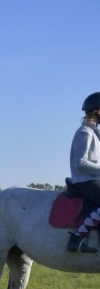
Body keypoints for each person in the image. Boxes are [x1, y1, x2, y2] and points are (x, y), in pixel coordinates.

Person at [67, 92, 100, 253]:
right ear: (97, 111)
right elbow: (80, 163)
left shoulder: (95, 133)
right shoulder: (84, 132)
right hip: (84, 179)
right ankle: (77, 237)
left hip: (94, 178)